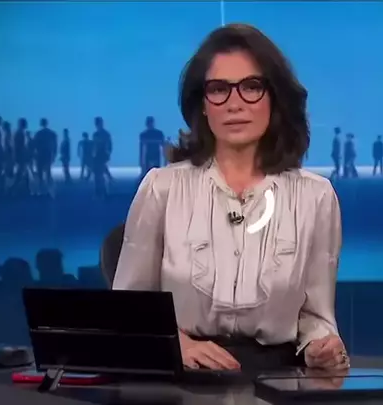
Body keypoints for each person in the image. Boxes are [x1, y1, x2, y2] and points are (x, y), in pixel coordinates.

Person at [113, 23, 347, 372]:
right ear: (203, 104)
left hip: (277, 379)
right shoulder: (161, 188)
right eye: (219, 89)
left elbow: (316, 317)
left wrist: (321, 347)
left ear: (274, 98)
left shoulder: (316, 197)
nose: (235, 103)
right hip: (181, 375)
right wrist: (176, 344)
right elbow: (128, 310)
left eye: (251, 87)